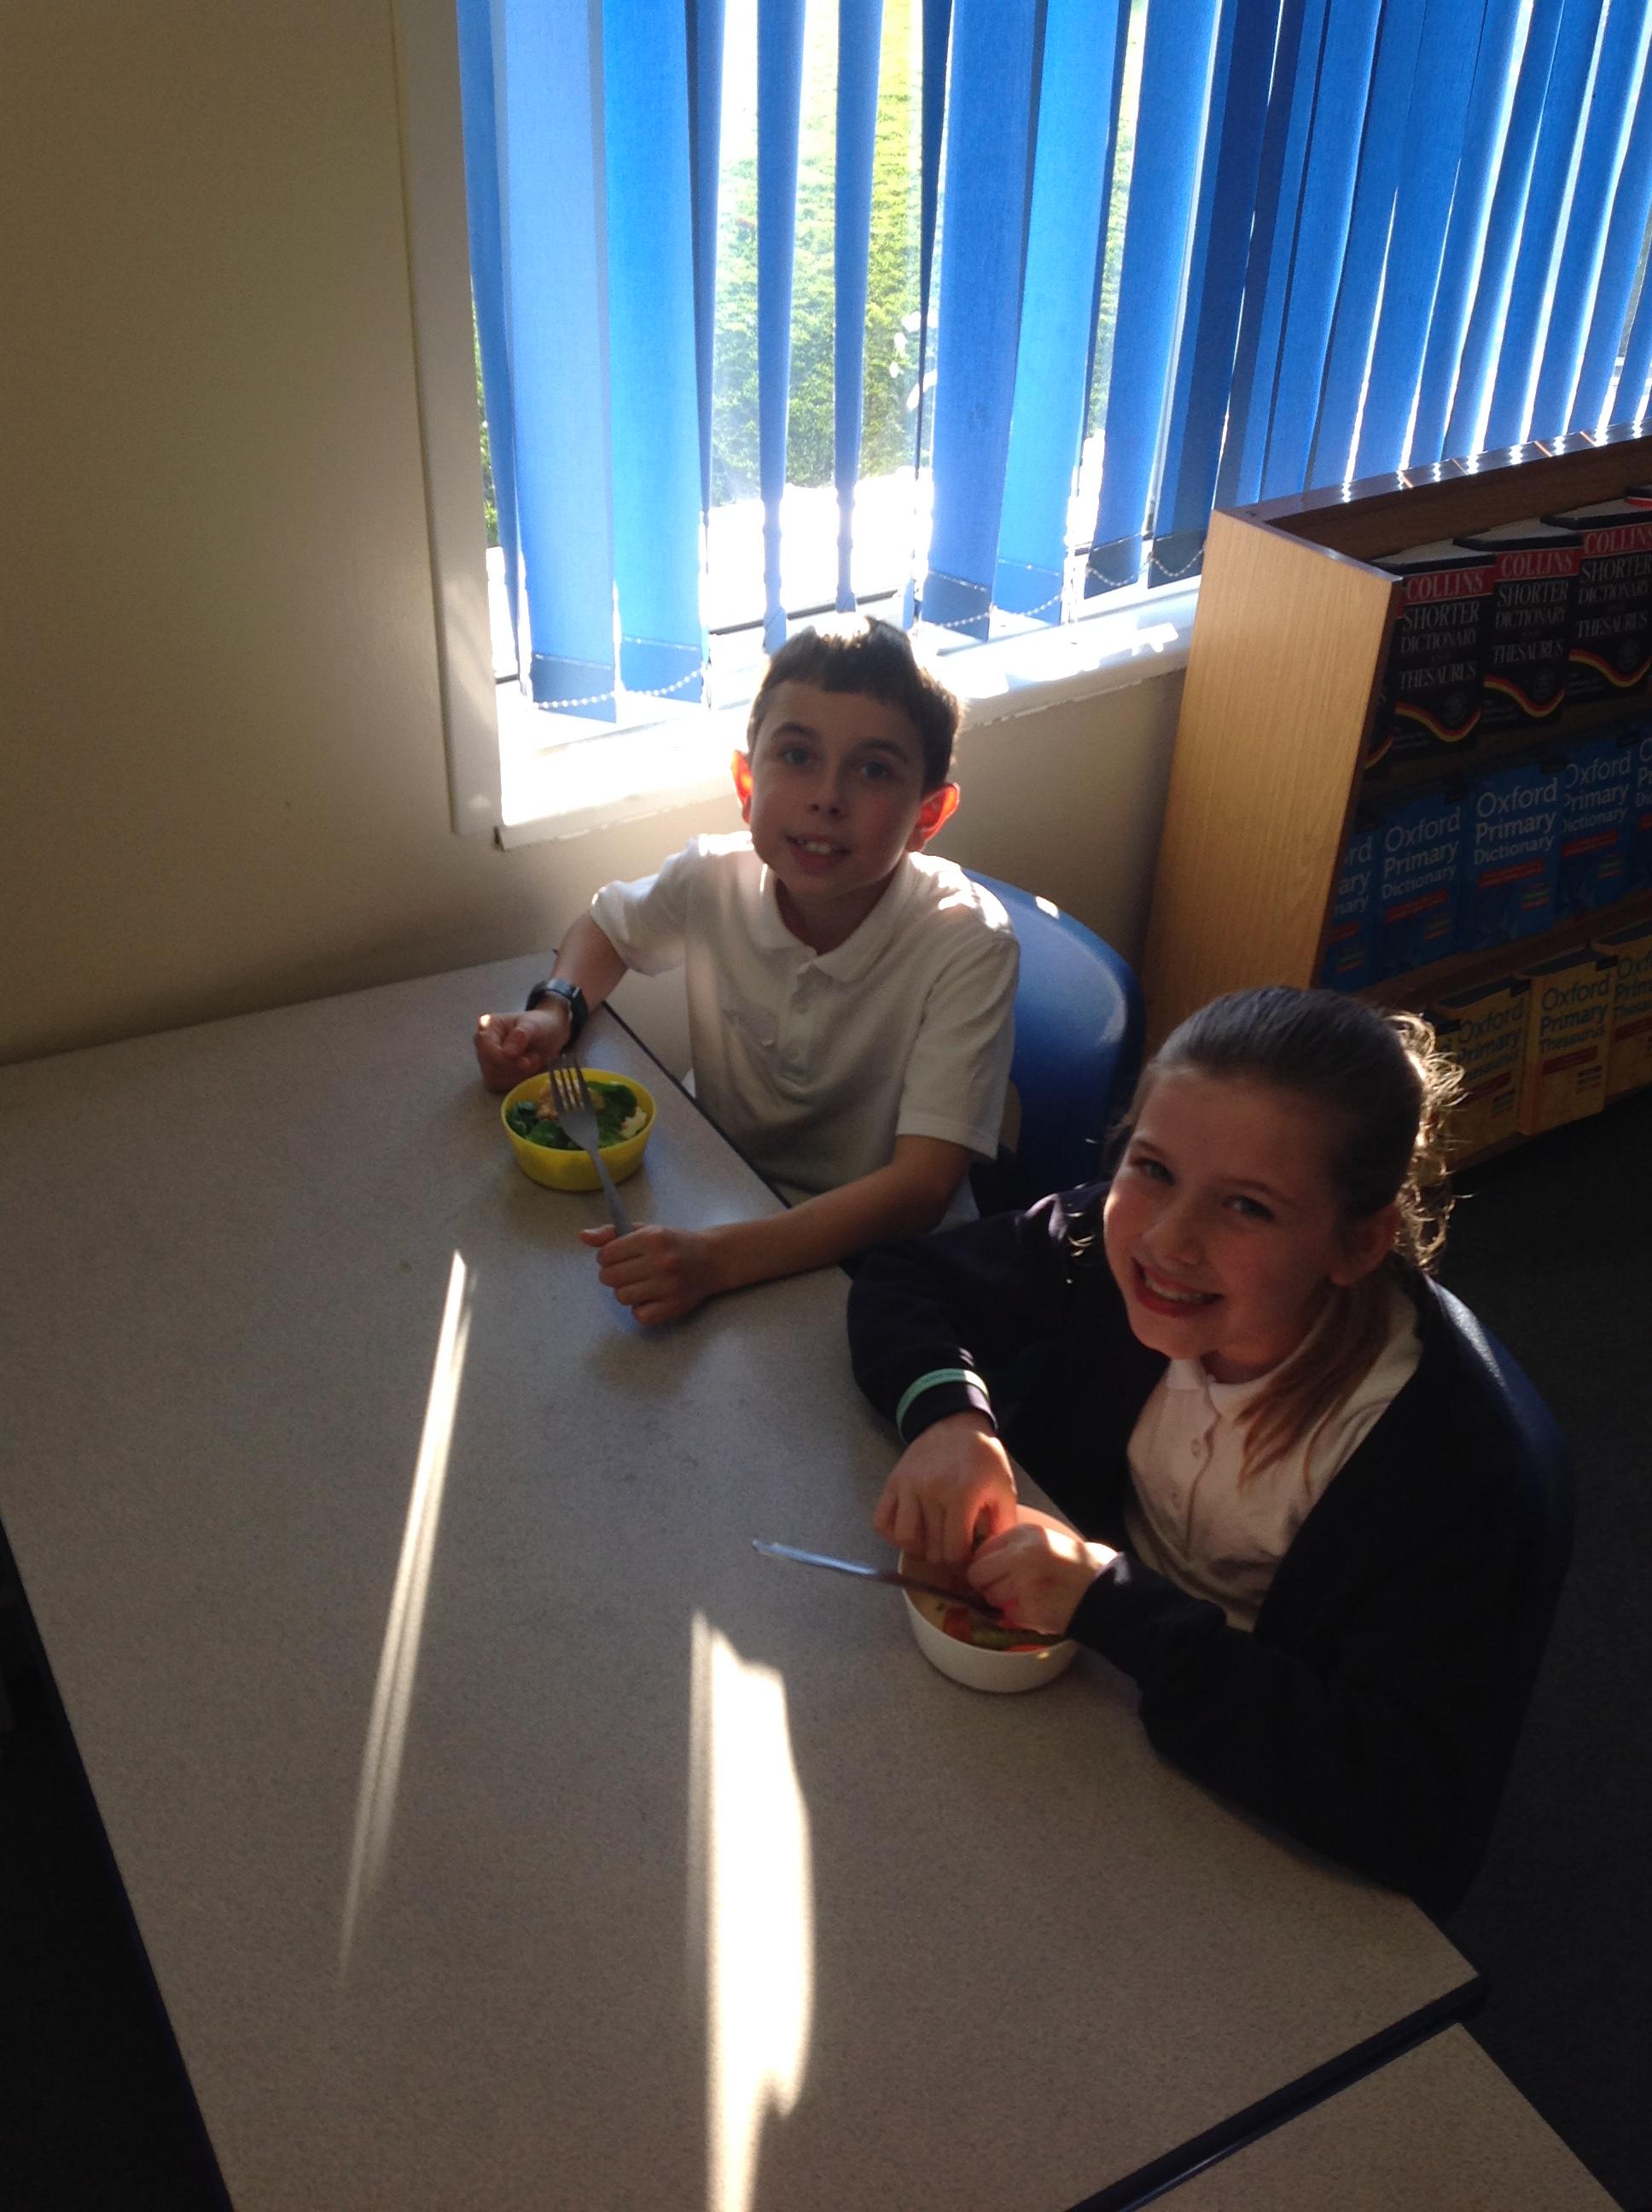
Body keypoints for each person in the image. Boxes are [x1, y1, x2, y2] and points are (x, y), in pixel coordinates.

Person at [846, 986, 1573, 1912]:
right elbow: (907, 1280)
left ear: (1359, 1243)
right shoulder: (1110, 1245)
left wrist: (1114, 1604)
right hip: (1088, 1698)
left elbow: (1406, 1808)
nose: (1167, 1238)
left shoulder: (1451, 1469)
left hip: (1242, 1785)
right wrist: (954, 1419)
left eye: (1248, 1208)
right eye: (1152, 1168)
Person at [474, 618, 1019, 1324]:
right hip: (723, 1197)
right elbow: (607, 929)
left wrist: (718, 1262)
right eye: (797, 755)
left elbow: (919, 1190)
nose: (827, 797)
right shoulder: (712, 877)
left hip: (884, 1264)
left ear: (929, 814)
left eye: (874, 770)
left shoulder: (967, 943)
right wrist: (553, 1013)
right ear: (745, 781)